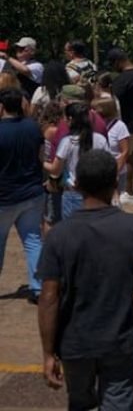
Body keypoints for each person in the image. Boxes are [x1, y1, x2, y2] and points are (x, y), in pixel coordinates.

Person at [37, 149, 133, 411]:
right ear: (115, 181)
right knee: (120, 400)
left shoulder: (59, 236)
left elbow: (49, 297)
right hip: (120, 339)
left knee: (80, 402)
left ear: (77, 185)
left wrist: (48, 353)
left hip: (75, 342)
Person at [0, 88, 45, 304]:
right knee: (33, 240)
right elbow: (41, 156)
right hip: (32, 192)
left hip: (4, 197)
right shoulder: (33, 127)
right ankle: (38, 287)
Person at [44, 103, 108, 221]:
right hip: (98, 192)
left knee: (73, 233)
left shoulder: (67, 142)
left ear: (70, 119)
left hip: (74, 192)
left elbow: (55, 170)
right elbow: (109, 165)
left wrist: (41, 162)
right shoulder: (100, 139)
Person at [106, 48, 133, 204]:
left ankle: (129, 191)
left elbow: (112, 100)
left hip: (127, 123)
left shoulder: (123, 80)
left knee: (128, 156)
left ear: (118, 61)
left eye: (112, 63)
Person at [94, 98, 132, 207]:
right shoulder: (95, 126)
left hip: (117, 170)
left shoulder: (120, 126)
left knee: (113, 202)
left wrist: (115, 171)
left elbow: (125, 151)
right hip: (99, 170)